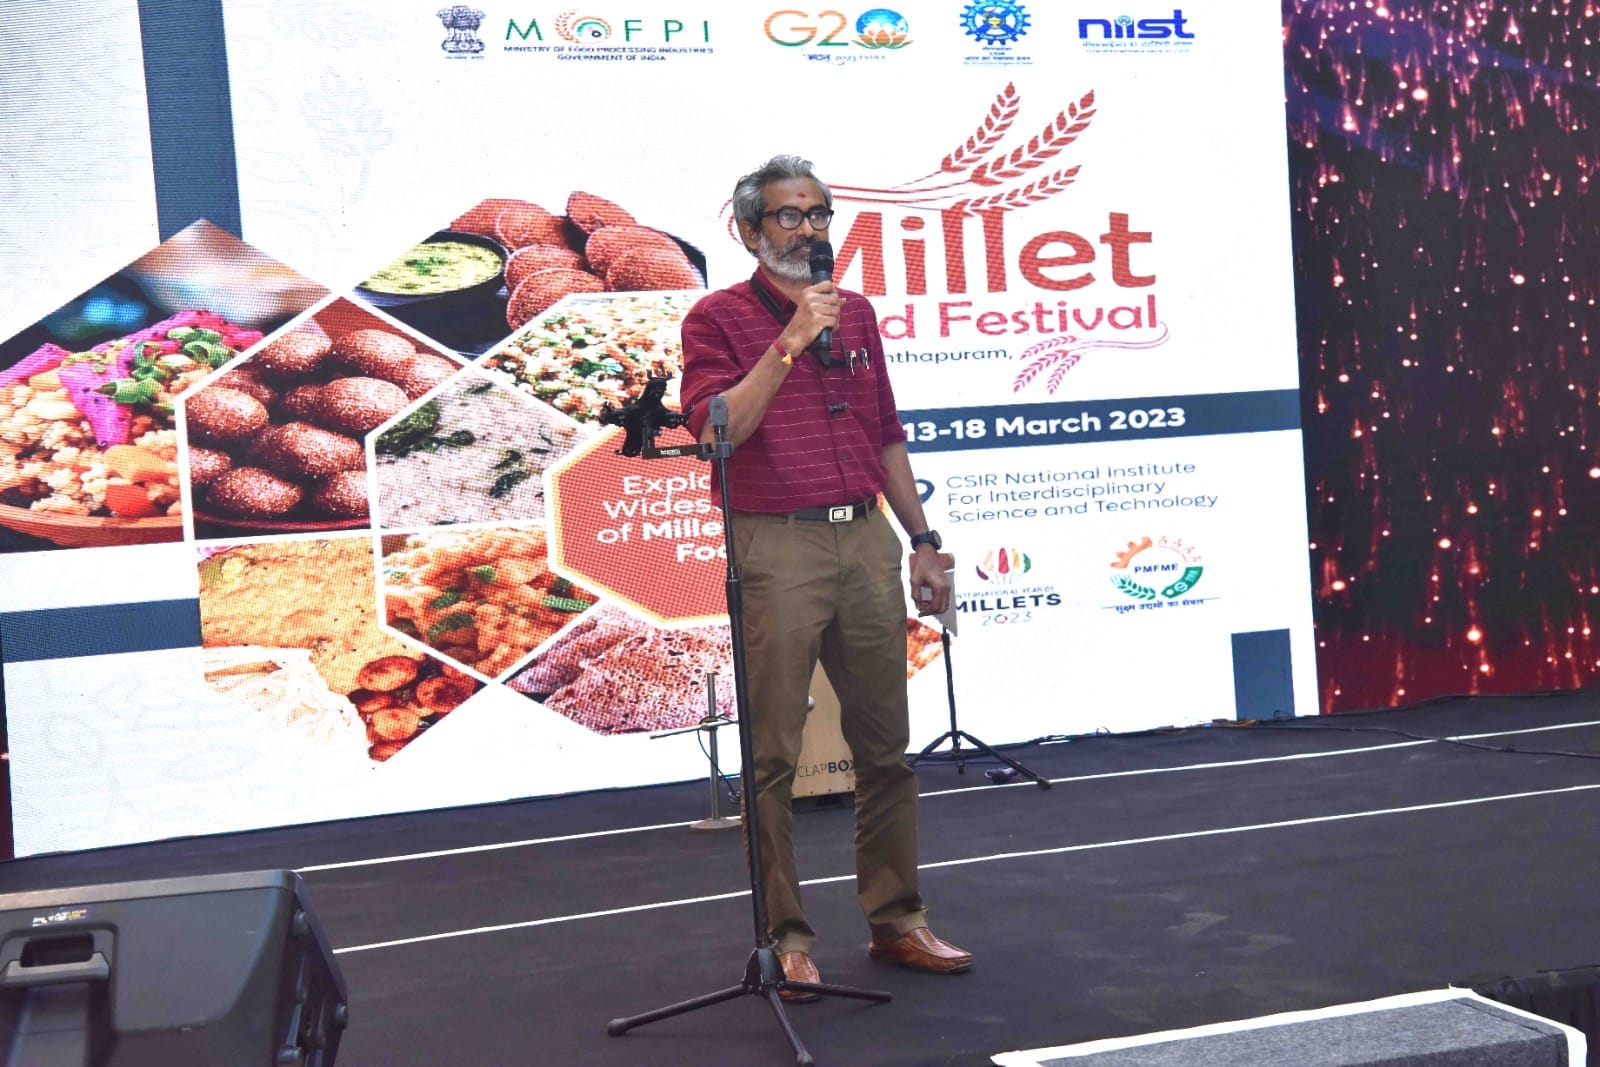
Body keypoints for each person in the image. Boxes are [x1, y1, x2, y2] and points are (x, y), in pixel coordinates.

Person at [680, 154, 971, 1000]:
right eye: (788, 216)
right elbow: (718, 430)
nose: (808, 231)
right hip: (777, 545)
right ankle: (787, 937)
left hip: (867, 541)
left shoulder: (862, 315)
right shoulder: (717, 318)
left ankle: (898, 920)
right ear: (746, 229)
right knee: (771, 756)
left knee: (885, 748)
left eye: (818, 215)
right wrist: (793, 337)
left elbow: (886, 435)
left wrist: (922, 540)